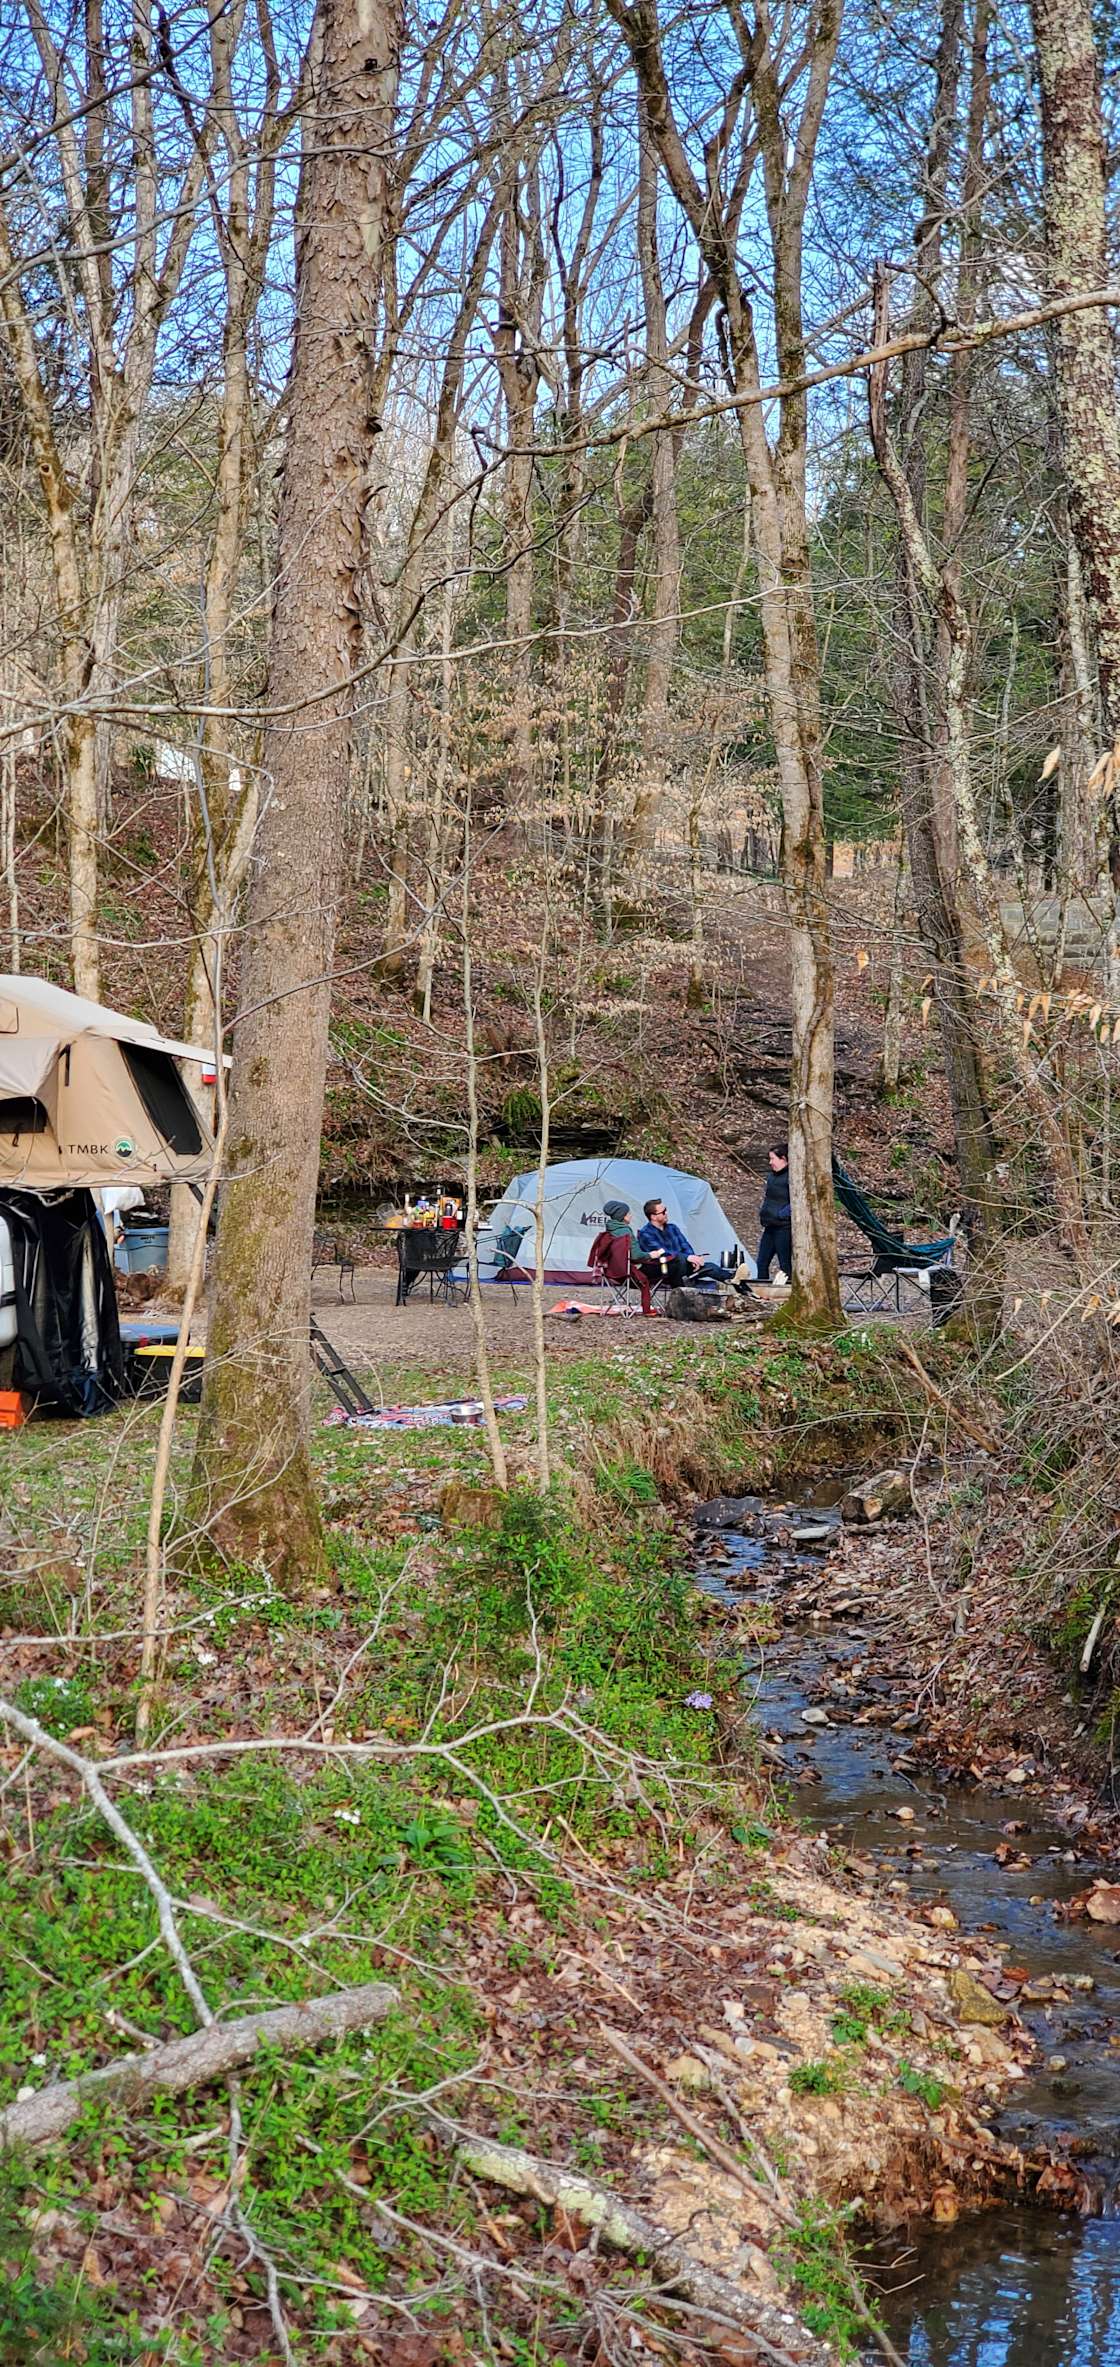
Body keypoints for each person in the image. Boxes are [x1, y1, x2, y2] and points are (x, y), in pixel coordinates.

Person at [636, 1198, 725, 1288]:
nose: (666, 1213)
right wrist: (688, 1257)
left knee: (711, 1267)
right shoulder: (645, 1233)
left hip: (682, 1265)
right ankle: (684, 1290)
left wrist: (693, 1259)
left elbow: (685, 1245)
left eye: (666, 1210)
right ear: (653, 1217)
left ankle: (735, 1282)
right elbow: (662, 1252)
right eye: (663, 1212)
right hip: (662, 1267)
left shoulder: (673, 1228)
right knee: (679, 1260)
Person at [588, 1201, 653, 1314]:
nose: (631, 1215)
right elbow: (636, 1256)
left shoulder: (609, 1232)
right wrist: (651, 1255)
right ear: (622, 1217)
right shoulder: (626, 1232)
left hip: (609, 1272)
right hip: (625, 1272)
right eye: (628, 1214)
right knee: (646, 1279)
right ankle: (647, 1310)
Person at [757, 1144, 792, 1284]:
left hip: (783, 1227)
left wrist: (782, 1214)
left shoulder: (791, 1177)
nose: (770, 1162)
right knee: (761, 1262)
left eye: (773, 1159)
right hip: (769, 1225)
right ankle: (760, 1292)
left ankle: (789, 1293)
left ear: (783, 1158)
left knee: (784, 1264)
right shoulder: (771, 1177)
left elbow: (796, 1200)